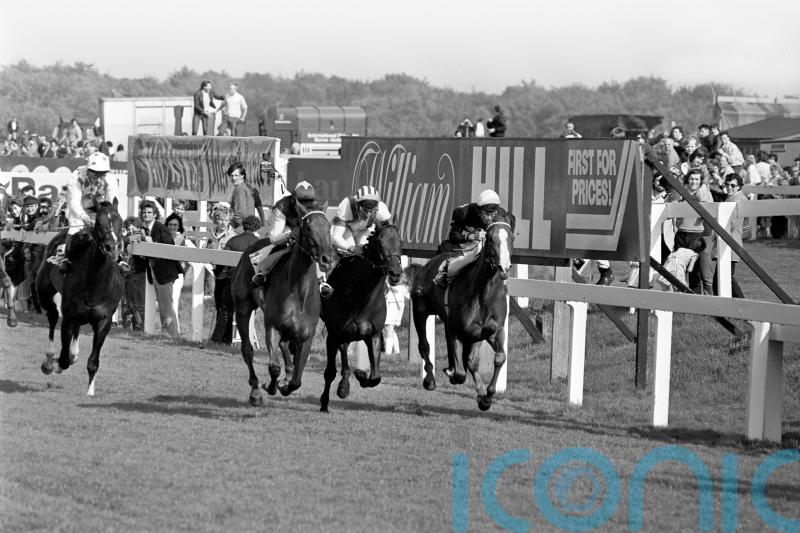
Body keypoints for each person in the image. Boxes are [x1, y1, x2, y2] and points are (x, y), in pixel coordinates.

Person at [249, 181, 333, 295]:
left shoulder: (315, 206)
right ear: (294, 199)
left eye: (308, 201)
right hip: (285, 226)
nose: (305, 204)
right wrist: (289, 235)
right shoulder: (282, 207)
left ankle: (322, 281)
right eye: (302, 201)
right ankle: (263, 272)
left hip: (302, 227)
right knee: (284, 244)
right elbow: (273, 238)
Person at [50, 152, 120, 272]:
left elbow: (111, 205)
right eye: (95, 174)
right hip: (78, 205)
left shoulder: (111, 180)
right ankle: (66, 257)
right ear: (89, 171)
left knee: (110, 228)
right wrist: (85, 217)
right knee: (76, 225)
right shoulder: (77, 176)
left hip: (98, 205)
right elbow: (74, 204)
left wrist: (105, 219)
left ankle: (120, 258)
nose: (99, 178)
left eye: (102, 174)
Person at [432, 189, 511, 287]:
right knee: (447, 250)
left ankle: (501, 277)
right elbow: (453, 235)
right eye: (487, 214)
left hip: (484, 244)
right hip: (464, 243)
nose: (490, 218)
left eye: (493, 214)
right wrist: (471, 236)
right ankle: (444, 273)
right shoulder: (463, 212)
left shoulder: (500, 213)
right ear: (479, 210)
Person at [135, 200, 183, 337]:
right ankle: (167, 334)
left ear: (155, 214)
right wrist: (134, 239)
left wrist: (153, 244)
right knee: (162, 305)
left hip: (165, 272)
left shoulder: (161, 228)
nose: (146, 215)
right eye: (144, 212)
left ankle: (172, 336)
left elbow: (169, 247)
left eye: (149, 212)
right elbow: (134, 245)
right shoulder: (141, 229)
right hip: (152, 272)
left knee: (166, 306)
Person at [673, 168, 715, 295]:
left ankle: (695, 300)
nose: (694, 181)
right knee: (678, 267)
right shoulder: (681, 192)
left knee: (694, 270)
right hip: (681, 233)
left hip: (697, 234)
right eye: (691, 178)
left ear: (700, 181)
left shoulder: (705, 194)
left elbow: (710, 213)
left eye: (697, 179)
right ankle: (680, 297)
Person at [206, 205, 237, 344]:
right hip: (216, 272)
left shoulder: (233, 235)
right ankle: (226, 339)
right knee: (220, 305)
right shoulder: (211, 233)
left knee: (225, 305)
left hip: (229, 273)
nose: (223, 222)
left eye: (226, 220)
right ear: (215, 220)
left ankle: (218, 339)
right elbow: (208, 249)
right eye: (220, 220)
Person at [164, 212, 195, 333]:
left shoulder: (182, 239)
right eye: (170, 224)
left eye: (175, 225)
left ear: (179, 226)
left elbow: (192, 255)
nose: (172, 227)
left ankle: (175, 330)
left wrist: (184, 269)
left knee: (174, 302)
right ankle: (167, 329)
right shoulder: (162, 237)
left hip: (177, 275)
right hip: (163, 274)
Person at [227, 162, 255, 229]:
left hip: (242, 226)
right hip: (250, 225)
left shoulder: (239, 188)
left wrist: (231, 226)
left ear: (242, 176)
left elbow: (240, 212)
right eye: (231, 175)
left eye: (236, 175)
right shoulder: (247, 186)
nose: (233, 178)